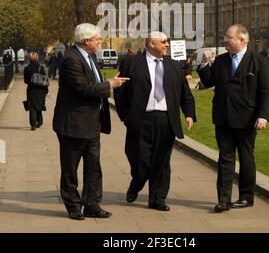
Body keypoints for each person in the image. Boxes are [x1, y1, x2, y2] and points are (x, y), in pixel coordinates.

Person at [53, 23, 129, 220]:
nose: (100, 41)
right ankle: (73, 206)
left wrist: (106, 85)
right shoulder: (71, 60)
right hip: (73, 124)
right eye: (97, 38)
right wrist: (110, 84)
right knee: (70, 169)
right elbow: (84, 88)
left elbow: (93, 84)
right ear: (86, 41)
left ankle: (92, 204)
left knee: (93, 167)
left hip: (92, 123)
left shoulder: (90, 56)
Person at [114, 31, 196, 211]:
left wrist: (189, 113)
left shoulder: (174, 66)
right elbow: (120, 93)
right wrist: (126, 117)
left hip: (166, 120)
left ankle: (157, 198)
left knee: (162, 161)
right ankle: (137, 182)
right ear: (151, 44)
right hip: (140, 120)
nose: (167, 45)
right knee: (139, 160)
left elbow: (185, 94)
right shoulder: (131, 63)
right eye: (164, 42)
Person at [197, 24, 269, 213]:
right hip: (223, 118)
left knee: (246, 159)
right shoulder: (221, 60)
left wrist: (263, 116)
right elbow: (207, 82)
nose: (225, 40)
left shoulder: (258, 61)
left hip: (247, 119)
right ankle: (223, 200)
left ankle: (246, 197)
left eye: (228, 37)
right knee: (225, 159)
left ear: (241, 40)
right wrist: (205, 64)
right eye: (225, 37)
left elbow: (266, 92)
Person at [23, 52, 48, 130]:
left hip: (31, 90)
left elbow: (26, 81)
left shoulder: (27, 68)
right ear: (37, 58)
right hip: (41, 90)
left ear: (29, 58)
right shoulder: (41, 67)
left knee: (32, 107)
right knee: (39, 105)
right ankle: (40, 121)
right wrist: (46, 90)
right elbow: (45, 80)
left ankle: (33, 124)